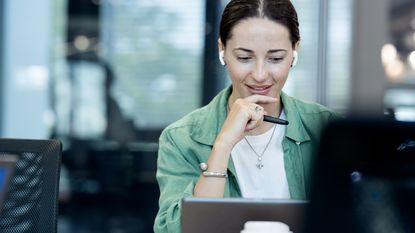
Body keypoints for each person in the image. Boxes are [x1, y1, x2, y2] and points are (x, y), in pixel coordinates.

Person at [154, 0, 337, 232]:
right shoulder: (181, 138)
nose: (259, 75)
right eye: (244, 58)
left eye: (276, 58)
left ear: (294, 51)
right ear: (223, 50)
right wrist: (223, 144)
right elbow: (175, 230)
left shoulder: (325, 128)